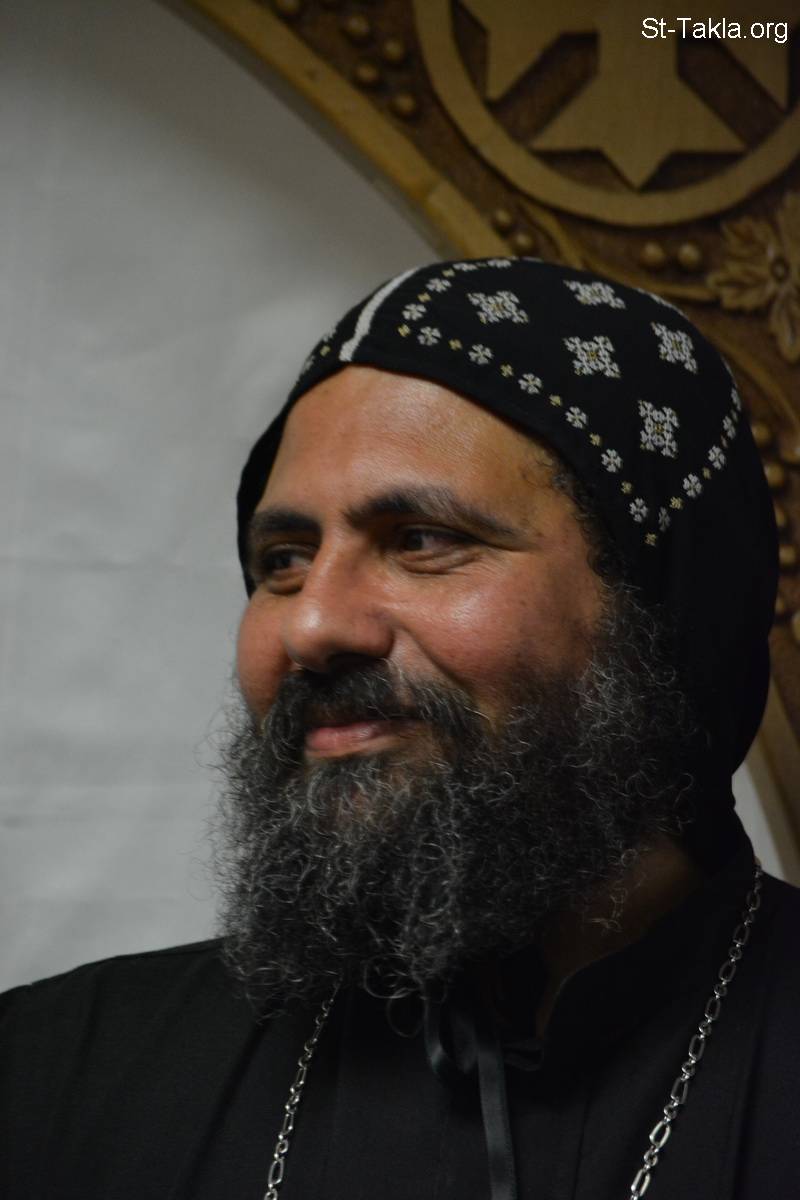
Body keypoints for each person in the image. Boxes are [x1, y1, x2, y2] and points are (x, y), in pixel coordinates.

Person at [1, 257, 797, 1200]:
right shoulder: (53, 1084)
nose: (311, 625)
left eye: (421, 540)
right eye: (283, 559)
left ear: (659, 605)